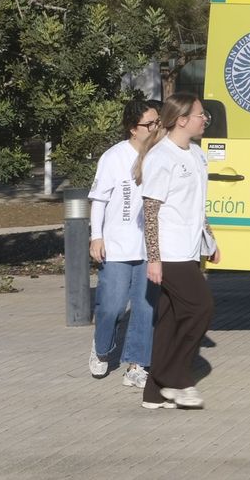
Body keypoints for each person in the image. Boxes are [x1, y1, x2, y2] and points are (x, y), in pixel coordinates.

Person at [136, 92, 219, 410]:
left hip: (188, 249)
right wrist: (154, 258)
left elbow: (197, 205)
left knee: (170, 319)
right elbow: (151, 211)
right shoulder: (162, 156)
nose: (204, 120)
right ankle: (176, 377)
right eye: (200, 115)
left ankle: (154, 392)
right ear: (181, 120)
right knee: (201, 308)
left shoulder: (197, 155)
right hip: (168, 253)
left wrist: (209, 239)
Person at [87, 99, 162, 389]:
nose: (156, 128)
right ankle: (101, 347)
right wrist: (97, 237)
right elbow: (99, 200)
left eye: (158, 122)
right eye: (149, 124)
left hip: (148, 248)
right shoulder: (113, 157)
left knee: (144, 308)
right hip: (117, 246)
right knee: (112, 307)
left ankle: (136, 364)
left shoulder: (161, 155)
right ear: (133, 129)